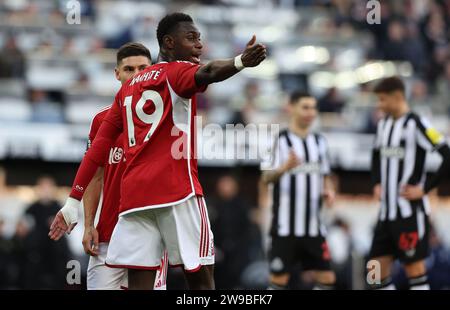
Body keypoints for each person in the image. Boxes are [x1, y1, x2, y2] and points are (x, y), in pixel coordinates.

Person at [49, 12, 266, 290]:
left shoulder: (125, 92)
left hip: (134, 200)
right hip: (177, 191)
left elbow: (96, 152)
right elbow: (209, 72)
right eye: (191, 38)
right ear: (169, 43)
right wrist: (240, 62)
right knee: (201, 279)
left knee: (141, 283)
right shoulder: (176, 72)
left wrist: (71, 203)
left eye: (199, 38)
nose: (199, 45)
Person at [82, 43, 167, 290]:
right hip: (107, 235)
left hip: (151, 236)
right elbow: (95, 177)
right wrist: (88, 225)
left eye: (143, 68)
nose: (137, 75)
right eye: (129, 69)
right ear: (117, 74)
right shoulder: (102, 121)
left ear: (154, 71)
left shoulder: (165, 118)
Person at [368, 76, 450, 290]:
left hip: (409, 214)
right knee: (374, 272)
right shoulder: (384, 124)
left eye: (383, 100)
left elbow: (447, 156)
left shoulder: (417, 123)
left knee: (414, 270)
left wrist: (424, 189)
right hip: (386, 214)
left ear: (397, 97)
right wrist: (377, 182)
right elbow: (376, 154)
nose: (380, 105)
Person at [261, 91, 337, 290]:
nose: (310, 112)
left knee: (327, 279)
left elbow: (326, 176)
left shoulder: (320, 142)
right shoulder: (279, 140)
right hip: (285, 228)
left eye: (313, 108)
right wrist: (285, 167)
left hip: (313, 227)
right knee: (279, 281)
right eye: (305, 107)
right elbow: (265, 178)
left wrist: (328, 191)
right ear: (291, 108)